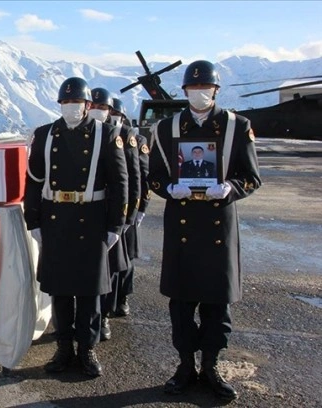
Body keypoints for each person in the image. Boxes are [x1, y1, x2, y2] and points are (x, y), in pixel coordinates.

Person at [148, 60, 261, 401]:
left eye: (205, 88)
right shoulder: (166, 129)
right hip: (182, 223)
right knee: (181, 304)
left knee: (216, 304)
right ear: (184, 92)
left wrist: (230, 187)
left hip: (218, 228)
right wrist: (168, 189)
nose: (199, 93)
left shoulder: (236, 127)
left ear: (215, 91)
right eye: (193, 89)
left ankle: (211, 366)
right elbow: (154, 176)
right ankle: (185, 366)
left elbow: (251, 177)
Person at [24, 77, 128, 377]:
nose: (72, 107)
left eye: (77, 103)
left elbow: (120, 184)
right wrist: (34, 221)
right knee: (59, 290)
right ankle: (63, 348)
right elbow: (34, 181)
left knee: (88, 292)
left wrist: (115, 226)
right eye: (67, 103)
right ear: (60, 104)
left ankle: (87, 349)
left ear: (87, 105)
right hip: (56, 219)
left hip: (91, 220)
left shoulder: (106, 134)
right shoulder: (45, 134)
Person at [88, 88, 140, 342]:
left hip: (114, 211)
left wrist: (129, 217)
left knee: (111, 270)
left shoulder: (119, 135)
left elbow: (132, 178)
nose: (97, 110)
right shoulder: (86, 134)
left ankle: (105, 316)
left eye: (102, 106)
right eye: (93, 105)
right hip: (91, 213)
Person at [112, 97, 150, 317]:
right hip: (114, 205)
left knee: (127, 257)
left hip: (131, 205)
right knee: (113, 258)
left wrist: (141, 207)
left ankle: (123, 297)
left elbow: (141, 177)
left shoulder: (135, 139)